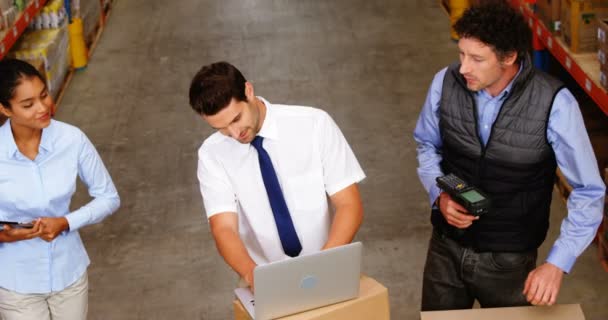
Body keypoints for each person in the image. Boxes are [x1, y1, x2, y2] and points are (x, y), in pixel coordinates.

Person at [414, 2, 606, 311]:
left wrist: (557, 263)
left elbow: (589, 191)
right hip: (444, 251)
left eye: (477, 59)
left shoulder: (554, 104)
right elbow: (426, 145)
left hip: (509, 263)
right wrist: (439, 196)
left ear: (509, 57)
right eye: (462, 54)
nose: (463, 67)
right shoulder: (445, 82)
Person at [189, 61, 365, 289]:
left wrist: (323, 266)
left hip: (327, 260)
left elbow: (349, 205)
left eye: (236, 119)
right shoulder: (212, 154)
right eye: (220, 128)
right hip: (260, 275)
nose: (234, 133)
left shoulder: (314, 125)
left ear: (248, 91)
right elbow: (223, 228)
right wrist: (254, 277)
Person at [0, 58, 120, 320]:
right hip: (16, 281)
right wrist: (4, 236)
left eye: (44, 95)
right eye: (28, 104)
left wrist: (65, 222)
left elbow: (108, 197)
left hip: (69, 272)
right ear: (5, 109)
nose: (43, 107)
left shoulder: (71, 139)